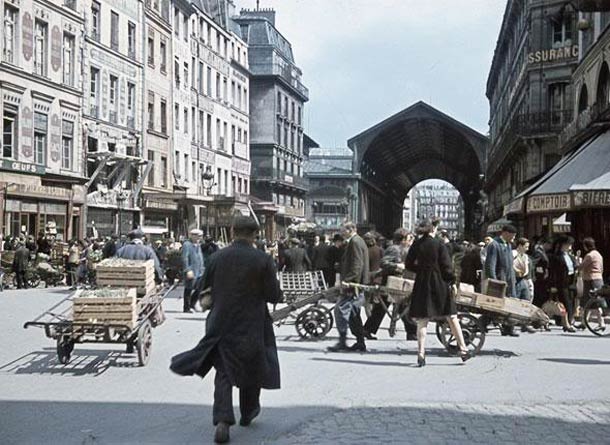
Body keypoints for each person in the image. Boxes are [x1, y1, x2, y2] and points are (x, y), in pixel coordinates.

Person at [170, 216, 281, 444]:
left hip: (221, 323)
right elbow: (272, 294)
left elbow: (203, 287)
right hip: (252, 324)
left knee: (224, 372)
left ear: (232, 232)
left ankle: (222, 420)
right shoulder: (263, 259)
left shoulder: (217, 257)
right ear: (255, 235)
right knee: (252, 366)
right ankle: (249, 411)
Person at [405, 220, 471, 367]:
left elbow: (408, 264)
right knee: (452, 316)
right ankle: (463, 349)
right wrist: (452, 281)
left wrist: (421, 270)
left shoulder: (417, 244)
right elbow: (447, 266)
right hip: (439, 283)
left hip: (422, 283)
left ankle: (421, 353)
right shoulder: (439, 244)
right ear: (433, 229)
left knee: (422, 320)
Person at [363, 228, 417, 341]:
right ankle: (412, 332)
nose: (410, 240)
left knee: (397, 307)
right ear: (402, 239)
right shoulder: (394, 249)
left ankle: (368, 329)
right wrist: (397, 266)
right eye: (408, 238)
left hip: (397, 282)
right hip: (391, 282)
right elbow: (384, 263)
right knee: (389, 307)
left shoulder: (402, 248)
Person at [327, 222, 370, 352]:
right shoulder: (357, 241)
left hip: (353, 286)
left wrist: (349, 280)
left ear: (350, 230)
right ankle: (360, 342)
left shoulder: (355, 242)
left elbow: (357, 264)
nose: (341, 232)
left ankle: (342, 340)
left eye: (343, 230)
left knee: (340, 310)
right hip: (356, 284)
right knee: (353, 313)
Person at [484, 224, 519, 336]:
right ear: (505, 233)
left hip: (510, 279)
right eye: (512, 236)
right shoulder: (494, 245)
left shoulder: (508, 245)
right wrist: (494, 281)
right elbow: (491, 265)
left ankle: (509, 327)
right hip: (500, 280)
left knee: (511, 303)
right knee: (495, 306)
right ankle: (482, 323)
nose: (513, 238)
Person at [548, 236, 578, 332]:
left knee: (572, 303)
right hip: (561, 283)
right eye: (568, 244)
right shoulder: (556, 257)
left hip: (571, 282)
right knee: (565, 304)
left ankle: (569, 321)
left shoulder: (571, 257)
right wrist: (552, 285)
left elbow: (574, 268)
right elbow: (553, 272)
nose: (569, 246)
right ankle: (566, 324)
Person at [182, 229, 204, 313]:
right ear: (192, 236)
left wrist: (202, 268)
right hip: (191, 270)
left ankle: (192, 304)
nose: (200, 238)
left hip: (199, 271)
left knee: (200, 288)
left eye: (200, 236)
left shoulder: (198, 245)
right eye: (198, 236)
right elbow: (185, 258)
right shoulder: (187, 244)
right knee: (189, 289)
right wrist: (187, 269)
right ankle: (186, 307)